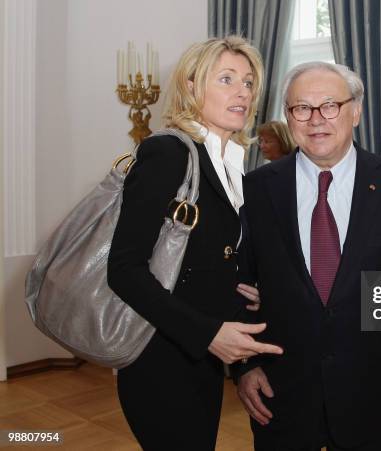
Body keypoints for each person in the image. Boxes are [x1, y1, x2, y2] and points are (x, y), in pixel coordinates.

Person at [234, 62, 381, 451]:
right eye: (301, 108)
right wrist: (245, 365)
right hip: (281, 389)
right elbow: (241, 285)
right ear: (288, 116)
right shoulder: (258, 189)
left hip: (372, 385)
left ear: (356, 111)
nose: (316, 120)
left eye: (330, 105)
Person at [107, 36, 283, 451]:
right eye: (226, 79)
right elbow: (125, 269)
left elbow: (209, 263)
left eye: (248, 81)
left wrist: (247, 291)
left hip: (202, 360)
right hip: (158, 361)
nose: (242, 91)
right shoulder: (167, 153)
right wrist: (207, 334)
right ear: (190, 86)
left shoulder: (233, 164)